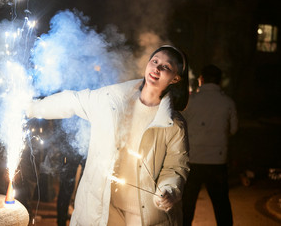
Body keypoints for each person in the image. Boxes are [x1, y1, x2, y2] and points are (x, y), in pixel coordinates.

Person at [27, 45, 190, 225]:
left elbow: (175, 167)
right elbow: (71, 101)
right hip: (102, 208)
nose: (157, 69)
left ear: (176, 78)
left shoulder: (174, 125)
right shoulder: (111, 99)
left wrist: (170, 190)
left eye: (166, 67)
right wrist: (31, 108)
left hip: (144, 215)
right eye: (155, 61)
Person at [182, 64, 238, 226]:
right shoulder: (228, 102)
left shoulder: (190, 101)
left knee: (187, 204)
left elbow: (180, 126)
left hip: (193, 160)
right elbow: (233, 129)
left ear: (201, 80)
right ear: (219, 81)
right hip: (217, 161)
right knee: (221, 204)